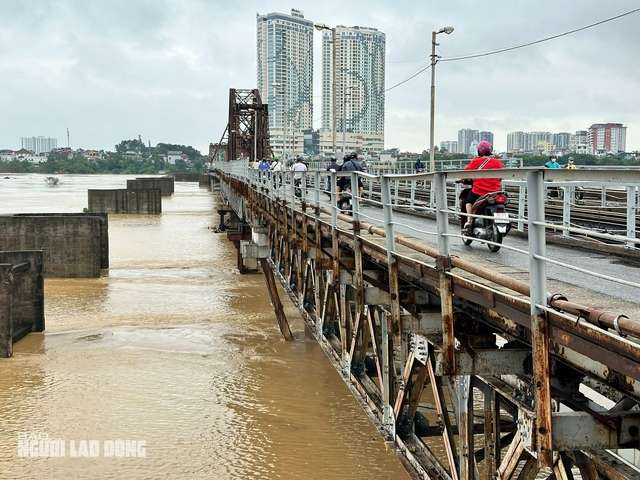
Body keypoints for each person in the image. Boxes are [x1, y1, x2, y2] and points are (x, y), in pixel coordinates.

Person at [462, 140, 504, 229]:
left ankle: (469, 220)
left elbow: (464, 173)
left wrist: (460, 179)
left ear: (479, 151)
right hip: (495, 192)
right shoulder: (497, 162)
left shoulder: (476, 161)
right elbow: (501, 176)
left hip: (479, 192)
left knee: (468, 201)